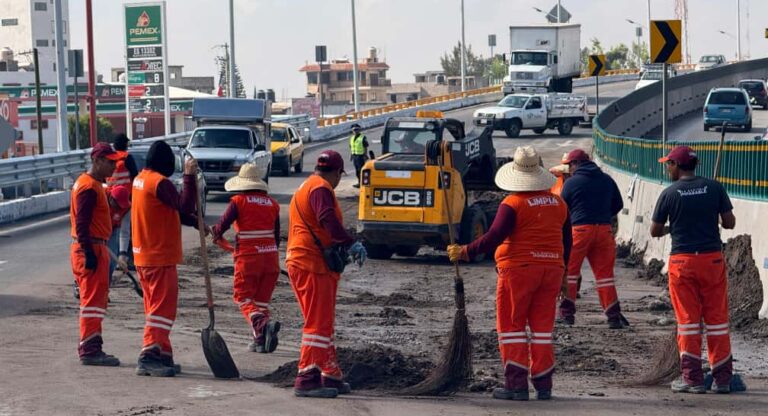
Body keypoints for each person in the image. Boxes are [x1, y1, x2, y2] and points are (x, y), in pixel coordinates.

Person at [448, 146, 571, 401]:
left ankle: (516, 385)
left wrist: (465, 252)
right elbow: (567, 241)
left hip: (518, 271)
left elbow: (493, 237)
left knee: (512, 327)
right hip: (552, 270)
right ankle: (543, 384)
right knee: (542, 329)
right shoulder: (559, 203)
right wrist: (565, 274)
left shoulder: (512, 204)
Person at [650, 146, 736, 394]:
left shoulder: (669, 193)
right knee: (717, 320)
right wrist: (712, 216)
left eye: (669, 164)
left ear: (677, 166)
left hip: (683, 262)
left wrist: (673, 227)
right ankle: (722, 379)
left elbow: (655, 231)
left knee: (688, 322)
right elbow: (729, 223)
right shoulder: (714, 187)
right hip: (712, 261)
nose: (667, 168)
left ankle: (692, 379)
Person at [286, 150, 367, 398]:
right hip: (311, 263)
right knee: (317, 324)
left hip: (307, 261)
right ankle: (307, 377)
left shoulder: (308, 185)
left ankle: (329, 372)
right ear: (336, 173)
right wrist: (348, 242)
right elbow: (326, 219)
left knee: (323, 322)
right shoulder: (321, 188)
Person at [131, 141, 201, 377]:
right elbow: (185, 204)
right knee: (163, 310)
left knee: (154, 308)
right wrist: (190, 177)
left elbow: (174, 211)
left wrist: (196, 222)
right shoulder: (160, 183)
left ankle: (162, 352)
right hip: (158, 256)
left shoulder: (141, 179)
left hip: (145, 255)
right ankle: (149, 354)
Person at [211, 163, 282, 354]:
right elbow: (276, 237)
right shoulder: (273, 204)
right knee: (260, 303)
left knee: (242, 297)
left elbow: (221, 226)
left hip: (249, 259)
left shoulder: (238, 201)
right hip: (271, 259)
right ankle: (260, 340)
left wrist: (215, 235)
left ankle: (260, 324)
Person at [557, 149, 627, 329]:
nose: (569, 170)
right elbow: (618, 204)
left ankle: (567, 314)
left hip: (579, 231)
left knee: (570, 273)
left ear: (575, 164)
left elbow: (562, 210)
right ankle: (613, 315)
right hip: (604, 231)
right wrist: (603, 216)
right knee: (605, 277)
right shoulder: (606, 179)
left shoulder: (571, 183)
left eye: (569, 166)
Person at [70, 142, 123, 366]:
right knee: (92, 302)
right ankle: (90, 350)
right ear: (97, 161)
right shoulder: (89, 188)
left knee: (95, 300)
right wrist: (90, 252)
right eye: (110, 162)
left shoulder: (91, 185)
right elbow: (82, 224)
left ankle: (92, 346)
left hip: (94, 246)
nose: (114, 166)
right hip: (90, 248)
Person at [107, 133, 139, 275]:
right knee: (125, 231)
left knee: (111, 230)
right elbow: (136, 176)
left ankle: (110, 256)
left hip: (110, 200)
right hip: (126, 200)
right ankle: (122, 258)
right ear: (126, 145)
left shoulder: (109, 159)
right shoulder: (127, 158)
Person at [107, 185, 131, 284]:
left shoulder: (127, 208)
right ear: (111, 198)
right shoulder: (101, 198)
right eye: (118, 205)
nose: (119, 208)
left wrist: (122, 254)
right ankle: (79, 284)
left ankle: (105, 286)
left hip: (113, 229)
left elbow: (124, 232)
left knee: (112, 261)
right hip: (96, 231)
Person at [348, 124, 368, 188]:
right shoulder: (352, 138)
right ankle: (359, 182)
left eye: (357, 129)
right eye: (354, 130)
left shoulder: (362, 137)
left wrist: (365, 155)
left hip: (360, 156)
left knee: (361, 170)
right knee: (357, 170)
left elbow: (365, 147)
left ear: (359, 130)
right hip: (355, 156)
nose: (355, 131)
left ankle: (362, 183)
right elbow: (351, 147)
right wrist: (351, 155)